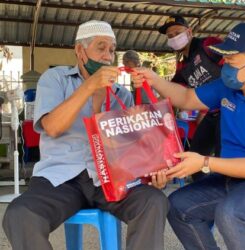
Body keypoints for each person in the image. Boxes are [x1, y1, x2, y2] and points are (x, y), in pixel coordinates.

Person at [2, 20, 169, 250]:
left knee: (153, 201)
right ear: (80, 51)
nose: (108, 56)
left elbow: (130, 150)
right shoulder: (55, 79)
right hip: (60, 179)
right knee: (19, 214)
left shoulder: (121, 94)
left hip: (110, 182)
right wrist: (89, 87)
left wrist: (151, 172)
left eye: (111, 50)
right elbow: (52, 127)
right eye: (101, 48)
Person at [132, 22, 245, 249]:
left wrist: (204, 162)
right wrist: (154, 80)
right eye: (225, 58)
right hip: (233, 180)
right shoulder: (228, 87)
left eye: (232, 60)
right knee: (179, 206)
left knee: (231, 214)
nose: (226, 66)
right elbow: (187, 98)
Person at [159, 15, 223, 181]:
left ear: (189, 32)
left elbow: (234, 64)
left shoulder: (208, 45)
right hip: (212, 114)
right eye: (170, 36)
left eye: (177, 33)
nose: (174, 38)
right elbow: (171, 90)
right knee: (194, 157)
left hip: (231, 111)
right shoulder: (183, 66)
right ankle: (202, 196)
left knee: (225, 160)